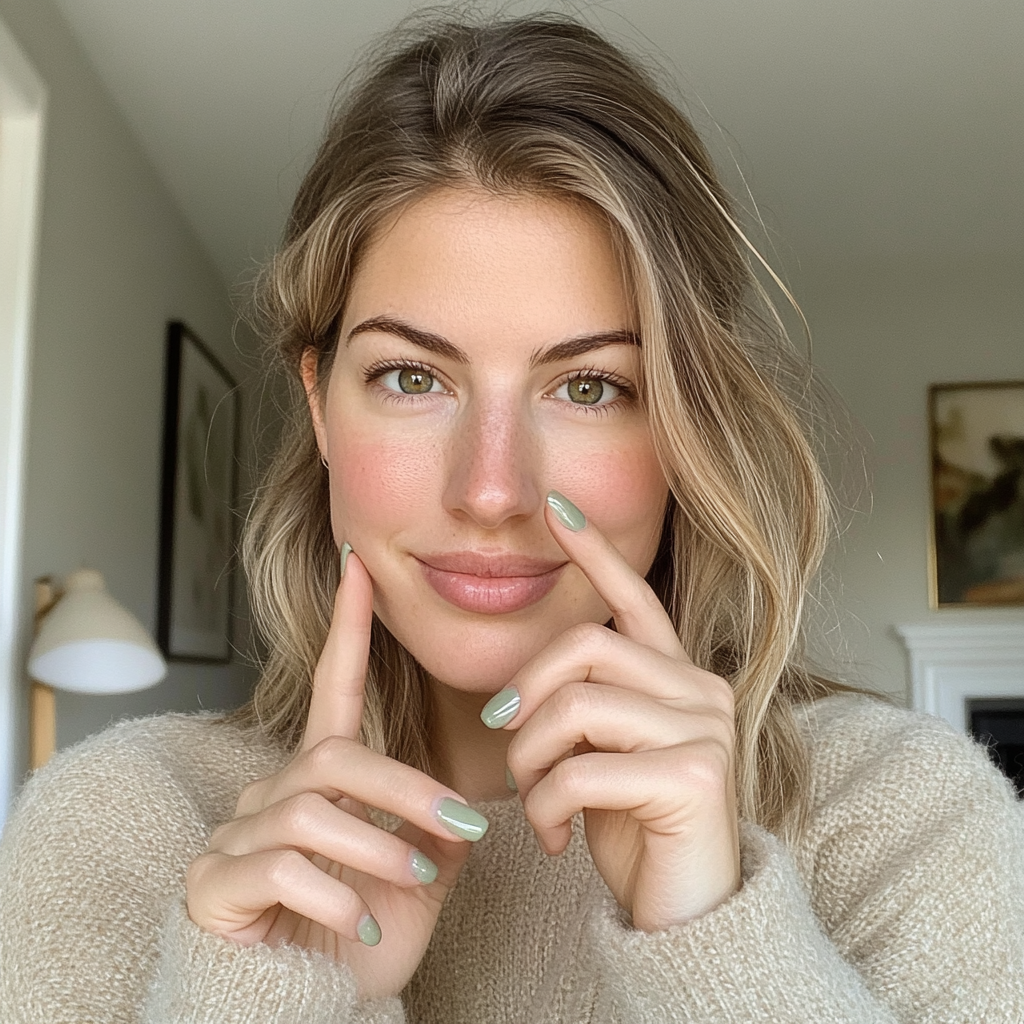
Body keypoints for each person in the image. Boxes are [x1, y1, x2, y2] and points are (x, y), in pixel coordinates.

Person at [1, 13, 1022, 1023]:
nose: (490, 490)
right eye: (411, 376)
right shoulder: (124, 823)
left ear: (685, 420)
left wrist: (713, 944)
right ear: (318, 403)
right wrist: (266, 992)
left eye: (588, 387)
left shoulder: (902, 816)